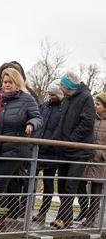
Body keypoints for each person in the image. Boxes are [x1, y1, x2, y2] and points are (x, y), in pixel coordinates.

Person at [0, 68, 42, 227]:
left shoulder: (27, 99)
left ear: (18, 83)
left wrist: (31, 124)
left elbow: (37, 117)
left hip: (14, 148)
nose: (7, 85)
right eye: (4, 82)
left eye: (10, 82)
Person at [50, 72, 95, 229]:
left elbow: (87, 123)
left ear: (68, 86)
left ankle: (63, 218)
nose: (60, 87)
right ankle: (65, 217)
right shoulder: (67, 99)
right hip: (64, 149)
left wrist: (71, 140)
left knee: (70, 184)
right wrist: (54, 141)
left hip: (78, 151)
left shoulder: (86, 98)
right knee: (61, 184)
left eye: (62, 85)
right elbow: (62, 122)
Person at [32, 81, 64, 223]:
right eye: (48, 94)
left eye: (53, 94)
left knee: (48, 183)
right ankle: (26, 208)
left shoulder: (63, 109)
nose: (49, 96)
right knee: (31, 181)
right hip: (38, 149)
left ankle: (43, 212)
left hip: (51, 152)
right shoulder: (44, 106)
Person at [77, 92, 106, 227]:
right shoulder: (91, 118)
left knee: (96, 189)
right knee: (78, 183)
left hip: (101, 160)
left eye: (98, 104)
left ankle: (91, 217)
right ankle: (84, 209)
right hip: (87, 156)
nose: (95, 106)